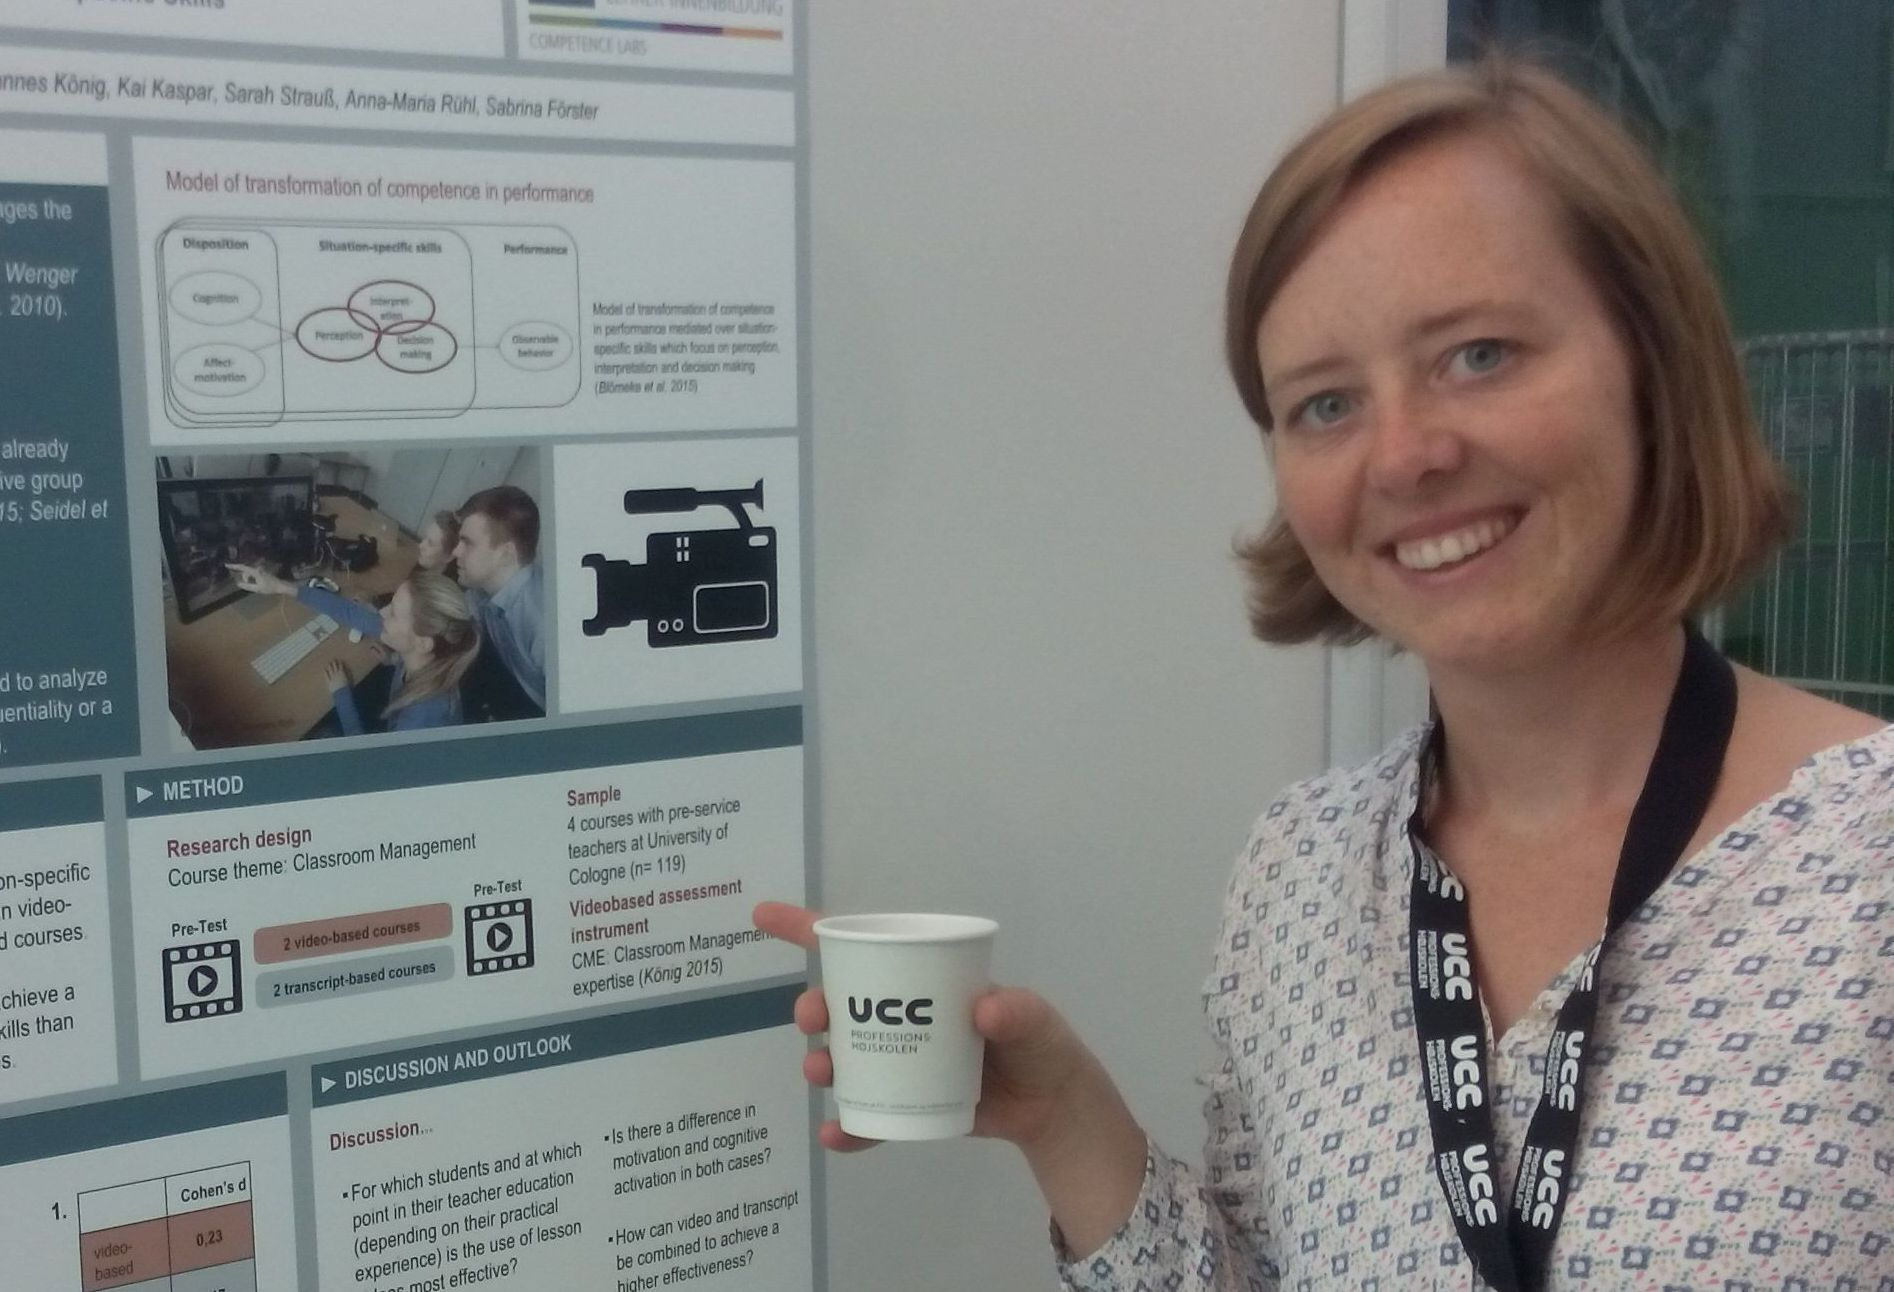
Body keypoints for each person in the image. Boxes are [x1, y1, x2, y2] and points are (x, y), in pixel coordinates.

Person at [755, 57, 1893, 1288]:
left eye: (1477, 354)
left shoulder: (1863, 861)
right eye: (1325, 404)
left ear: (1651, 365)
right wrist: (1064, 1116)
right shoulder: (1302, 873)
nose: (1403, 455)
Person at [229, 564, 479, 735]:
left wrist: (341, 694)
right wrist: (280, 587)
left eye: (393, 613)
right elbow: (351, 612)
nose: (382, 613)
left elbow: (370, 768)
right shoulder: (424, 656)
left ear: (424, 643)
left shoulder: (423, 720)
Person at [454, 485, 545, 715]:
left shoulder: (544, 622)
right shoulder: (481, 589)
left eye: (468, 543)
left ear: (505, 554)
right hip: (506, 682)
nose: (456, 552)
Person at [415, 508, 460, 580]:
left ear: (449, 557)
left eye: (430, 544)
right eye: (425, 537)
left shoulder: (445, 586)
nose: (420, 545)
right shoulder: (423, 566)